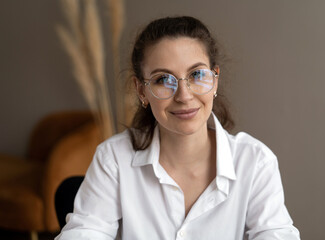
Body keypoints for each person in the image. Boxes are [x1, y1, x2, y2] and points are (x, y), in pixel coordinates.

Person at [55, 16, 301, 240]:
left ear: (215, 79)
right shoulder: (114, 159)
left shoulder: (255, 162)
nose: (184, 95)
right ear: (141, 90)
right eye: (163, 79)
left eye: (196, 75)